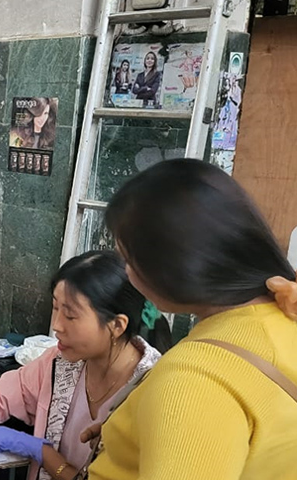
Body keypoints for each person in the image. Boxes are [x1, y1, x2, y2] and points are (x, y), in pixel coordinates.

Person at [87, 159, 297, 479]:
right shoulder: (284, 315)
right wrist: (130, 432)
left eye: (128, 259)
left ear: (172, 267)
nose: (127, 273)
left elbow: (201, 408)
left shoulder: (194, 378)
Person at [0, 250, 165, 480]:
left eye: (70, 315)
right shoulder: (59, 364)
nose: (57, 325)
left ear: (117, 325)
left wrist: (42, 452)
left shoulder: (154, 391)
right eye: (55, 308)